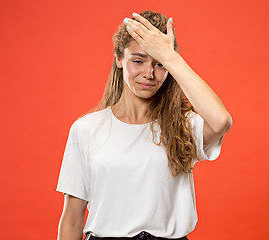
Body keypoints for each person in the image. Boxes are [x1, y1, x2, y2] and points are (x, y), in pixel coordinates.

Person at [56, 10, 232, 240]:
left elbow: (221, 121)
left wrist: (170, 56)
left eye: (159, 64)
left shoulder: (182, 125)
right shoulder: (87, 129)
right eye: (138, 60)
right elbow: (72, 218)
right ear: (119, 59)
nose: (149, 74)